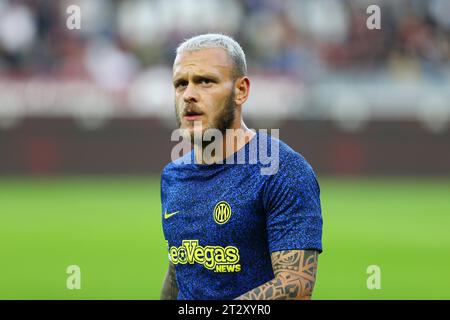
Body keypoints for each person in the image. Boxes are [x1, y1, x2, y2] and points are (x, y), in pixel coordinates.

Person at [160, 34, 322, 300]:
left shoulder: (281, 170)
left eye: (205, 81)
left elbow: (296, 285)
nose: (188, 94)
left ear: (241, 90)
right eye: (180, 84)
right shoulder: (173, 176)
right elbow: (181, 269)